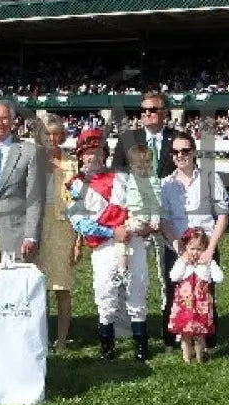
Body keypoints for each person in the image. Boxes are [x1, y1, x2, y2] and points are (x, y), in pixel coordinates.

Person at [66, 128, 151, 361]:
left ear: (105, 154)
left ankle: (141, 346)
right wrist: (112, 231)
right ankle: (107, 346)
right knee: (105, 292)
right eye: (88, 153)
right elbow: (79, 222)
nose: (94, 157)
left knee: (137, 288)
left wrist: (138, 226)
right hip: (104, 245)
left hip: (132, 240)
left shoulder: (123, 177)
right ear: (81, 156)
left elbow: (140, 205)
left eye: (98, 152)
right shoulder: (75, 185)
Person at [110, 91, 179, 326]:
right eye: (144, 111)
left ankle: (169, 324)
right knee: (131, 272)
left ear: (165, 112)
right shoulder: (127, 138)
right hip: (136, 221)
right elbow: (117, 180)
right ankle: (125, 324)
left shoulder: (178, 140)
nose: (147, 114)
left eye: (153, 110)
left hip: (166, 219)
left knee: (168, 275)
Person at [160, 130, 229, 351]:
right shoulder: (165, 184)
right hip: (177, 248)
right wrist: (178, 247)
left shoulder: (210, 178)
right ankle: (175, 338)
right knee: (175, 293)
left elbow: (223, 215)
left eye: (185, 151)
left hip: (206, 247)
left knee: (206, 294)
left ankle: (207, 340)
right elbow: (164, 220)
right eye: (175, 152)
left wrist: (210, 249)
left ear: (193, 152)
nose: (180, 156)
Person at [35, 115, 79, 349]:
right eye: (47, 133)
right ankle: (38, 337)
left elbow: (80, 202)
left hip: (64, 228)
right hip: (39, 226)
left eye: (56, 133)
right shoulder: (33, 160)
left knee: (62, 287)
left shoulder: (73, 163)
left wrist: (78, 241)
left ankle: (62, 339)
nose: (52, 138)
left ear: (62, 136)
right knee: (37, 288)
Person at [0, 100, 43, 259]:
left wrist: (30, 236)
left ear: (13, 121)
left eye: (4, 118)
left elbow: (35, 199)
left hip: (17, 236)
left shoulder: (30, 152)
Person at [167, 227, 223, 364]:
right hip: (184, 304)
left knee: (199, 334)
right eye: (192, 249)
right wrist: (183, 262)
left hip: (201, 305)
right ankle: (186, 358)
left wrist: (209, 264)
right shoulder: (182, 262)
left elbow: (220, 278)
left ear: (205, 248)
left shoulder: (208, 263)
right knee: (185, 334)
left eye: (199, 249)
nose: (195, 253)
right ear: (186, 247)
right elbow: (173, 277)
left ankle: (199, 358)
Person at [114, 144, 162, 285]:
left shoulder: (152, 181)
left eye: (147, 166)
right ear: (132, 167)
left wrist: (155, 218)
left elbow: (156, 201)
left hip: (142, 217)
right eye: (139, 167)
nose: (143, 171)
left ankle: (123, 269)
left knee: (122, 236)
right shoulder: (131, 179)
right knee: (124, 238)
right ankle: (124, 268)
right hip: (132, 215)